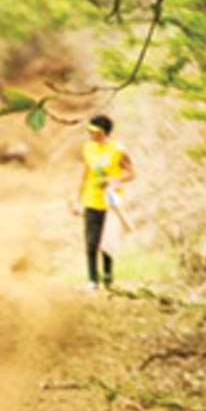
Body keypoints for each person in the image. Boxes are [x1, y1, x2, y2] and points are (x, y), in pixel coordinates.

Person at [69, 114, 136, 290]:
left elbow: (131, 173)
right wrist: (76, 197)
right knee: (91, 241)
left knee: (107, 242)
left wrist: (114, 180)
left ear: (105, 133)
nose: (92, 135)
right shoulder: (88, 149)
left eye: (95, 132)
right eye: (90, 131)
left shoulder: (118, 150)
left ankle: (108, 278)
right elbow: (85, 174)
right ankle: (92, 279)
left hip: (111, 202)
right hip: (91, 200)